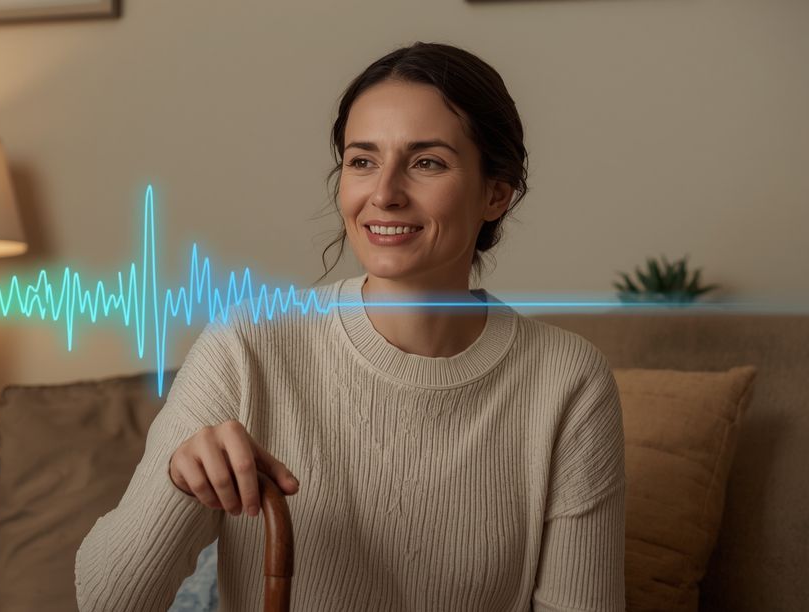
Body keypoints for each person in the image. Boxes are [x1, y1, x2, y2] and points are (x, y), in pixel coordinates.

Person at [75, 41, 625, 611]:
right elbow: (106, 603)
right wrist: (178, 484)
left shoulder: (567, 379)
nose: (384, 194)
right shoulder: (247, 345)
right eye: (362, 161)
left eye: (426, 162)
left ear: (496, 192)